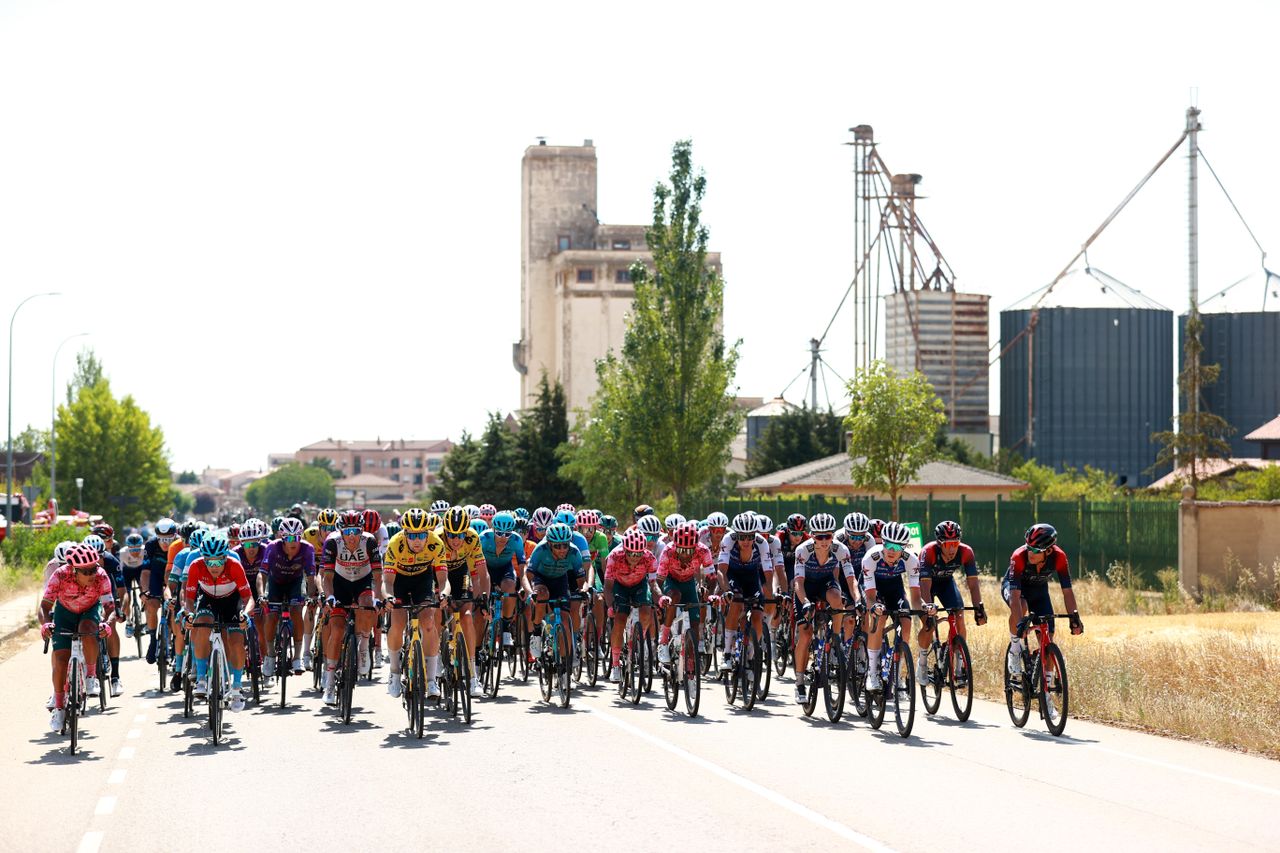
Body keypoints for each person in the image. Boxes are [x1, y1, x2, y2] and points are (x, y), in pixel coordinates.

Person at [40, 544, 115, 732]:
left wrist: (107, 623)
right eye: (86, 571)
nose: (91, 574)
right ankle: (58, 707)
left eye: (94, 568)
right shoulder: (59, 575)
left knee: (88, 628)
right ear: (73, 569)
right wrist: (46, 624)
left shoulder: (101, 575)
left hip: (89, 611)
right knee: (60, 660)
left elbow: (110, 607)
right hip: (64, 613)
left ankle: (91, 677)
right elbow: (44, 606)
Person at [791, 513, 856, 703]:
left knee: (838, 600)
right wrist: (805, 603)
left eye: (828, 536)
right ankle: (800, 682)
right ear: (812, 536)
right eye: (820, 537)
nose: (825, 541)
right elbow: (798, 583)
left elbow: (851, 581)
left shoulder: (841, 549)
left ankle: (835, 641)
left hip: (826, 583)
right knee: (805, 633)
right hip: (805, 588)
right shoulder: (803, 550)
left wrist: (858, 600)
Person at [183, 532, 253, 711]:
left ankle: (236, 688)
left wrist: (245, 615)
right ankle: (200, 678)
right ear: (203, 559)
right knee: (200, 625)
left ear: (226, 557)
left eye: (219, 561)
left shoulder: (235, 566)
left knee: (236, 641)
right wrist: (189, 615)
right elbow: (189, 600)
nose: (214, 566)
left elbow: (248, 598)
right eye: (209, 561)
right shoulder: (195, 566)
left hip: (232, 601)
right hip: (208, 599)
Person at [319, 509, 382, 705]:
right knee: (336, 630)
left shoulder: (370, 541)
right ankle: (329, 683)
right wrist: (329, 597)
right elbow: (326, 577)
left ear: (362, 530)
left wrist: (378, 598)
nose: (352, 536)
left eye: (356, 531)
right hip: (339, 583)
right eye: (347, 532)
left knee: (367, 605)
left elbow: (378, 577)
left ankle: (364, 647)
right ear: (341, 532)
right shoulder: (332, 542)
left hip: (362, 581)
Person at [1003, 523, 1084, 675]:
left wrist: (1074, 616)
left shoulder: (1059, 557)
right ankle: (1014, 650)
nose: (1030, 553)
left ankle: (1046, 692)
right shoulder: (1018, 556)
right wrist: (1020, 623)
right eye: (1028, 547)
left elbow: (1067, 591)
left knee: (1047, 641)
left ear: (1048, 551)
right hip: (1015, 588)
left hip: (1039, 591)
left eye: (1035, 550)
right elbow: (1014, 595)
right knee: (1022, 604)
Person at [382, 507, 445, 699]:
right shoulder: (395, 544)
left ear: (428, 533)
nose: (417, 540)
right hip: (398, 581)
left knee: (428, 623)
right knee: (398, 623)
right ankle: (393, 673)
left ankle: (432, 680)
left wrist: (444, 595)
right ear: (405, 534)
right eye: (412, 535)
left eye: (421, 535)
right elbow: (387, 582)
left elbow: (443, 579)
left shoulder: (435, 543)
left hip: (422, 580)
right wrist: (389, 598)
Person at [916, 520, 987, 684]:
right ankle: (922, 663)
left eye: (955, 543)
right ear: (940, 544)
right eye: (948, 544)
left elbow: (973, 584)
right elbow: (924, 585)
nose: (952, 549)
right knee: (929, 624)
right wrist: (928, 609)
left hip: (946, 583)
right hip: (926, 584)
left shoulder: (966, 552)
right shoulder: (929, 552)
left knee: (959, 615)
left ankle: (959, 664)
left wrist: (979, 608)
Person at [861, 521, 920, 692]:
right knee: (879, 618)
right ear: (882, 543)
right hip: (874, 587)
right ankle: (872, 674)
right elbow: (870, 597)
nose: (891, 550)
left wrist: (925, 607)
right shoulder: (871, 558)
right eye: (888, 544)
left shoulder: (911, 559)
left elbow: (916, 598)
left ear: (904, 547)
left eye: (897, 546)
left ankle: (897, 672)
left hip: (894, 587)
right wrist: (874, 607)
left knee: (907, 622)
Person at [433, 506, 486, 698]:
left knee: (467, 616)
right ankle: (437, 655)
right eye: (452, 535)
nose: (456, 540)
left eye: (460, 535)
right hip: (437, 574)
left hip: (460, 573)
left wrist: (484, 599)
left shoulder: (472, 538)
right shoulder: (436, 538)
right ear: (445, 530)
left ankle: (472, 675)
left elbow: (481, 573)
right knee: (437, 612)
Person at [523, 522, 584, 670]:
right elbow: (527, 575)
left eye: (565, 545)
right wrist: (529, 592)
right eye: (557, 546)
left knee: (564, 619)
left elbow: (581, 581)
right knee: (542, 595)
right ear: (549, 544)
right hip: (541, 579)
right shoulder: (540, 550)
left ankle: (565, 662)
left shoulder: (574, 552)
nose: (562, 549)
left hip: (560, 581)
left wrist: (583, 592)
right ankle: (536, 633)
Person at [655, 522, 716, 666]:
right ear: (675, 545)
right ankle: (663, 642)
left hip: (689, 582)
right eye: (681, 550)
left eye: (689, 551)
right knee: (674, 597)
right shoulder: (668, 550)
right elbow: (658, 580)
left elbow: (712, 578)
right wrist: (659, 600)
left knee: (695, 625)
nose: (685, 554)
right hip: (671, 581)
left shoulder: (703, 550)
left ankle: (689, 664)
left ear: (696, 546)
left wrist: (710, 593)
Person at [478, 511, 525, 650]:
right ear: (493, 530)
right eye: (499, 533)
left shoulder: (516, 540)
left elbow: (523, 569)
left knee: (510, 588)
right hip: (486, 568)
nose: (503, 537)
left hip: (505, 568)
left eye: (507, 534)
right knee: (480, 598)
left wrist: (523, 587)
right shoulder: (484, 538)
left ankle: (505, 628)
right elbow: (474, 563)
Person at [141, 518, 178, 665]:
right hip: (156, 577)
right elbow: (145, 572)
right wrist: (144, 591)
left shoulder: (178, 545)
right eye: (161, 539)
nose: (164, 543)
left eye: (168, 539)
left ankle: (176, 642)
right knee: (151, 605)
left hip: (174, 578)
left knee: (175, 609)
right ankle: (152, 640)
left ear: (175, 536)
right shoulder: (150, 545)